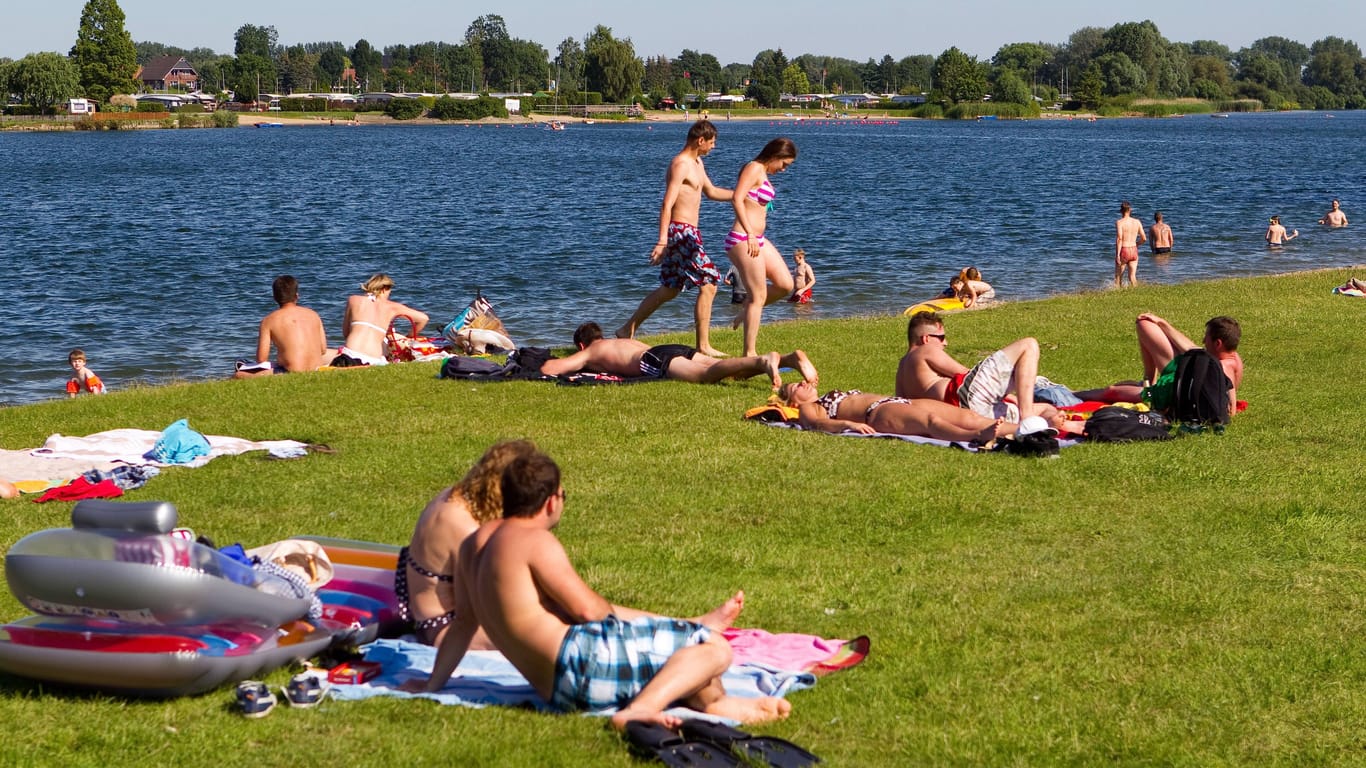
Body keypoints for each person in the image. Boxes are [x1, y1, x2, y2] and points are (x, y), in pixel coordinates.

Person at [406, 450, 789, 730]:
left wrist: (432, 685)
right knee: (711, 647)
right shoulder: (534, 542)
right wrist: (652, 631)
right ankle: (641, 710)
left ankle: (718, 704)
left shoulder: (475, 544)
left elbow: (463, 625)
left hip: (552, 690)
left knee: (679, 659)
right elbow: (590, 613)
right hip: (581, 667)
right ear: (551, 500)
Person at [616, 121, 733, 357]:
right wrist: (662, 241)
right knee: (709, 283)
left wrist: (742, 195)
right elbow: (667, 203)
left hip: (691, 232)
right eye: (712, 143)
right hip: (681, 233)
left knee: (670, 289)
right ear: (701, 140)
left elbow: (711, 191)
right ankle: (703, 346)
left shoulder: (697, 163)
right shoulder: (680, 164)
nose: (713, 148)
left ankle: (626, 329)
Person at [895, 312, 1075, 433]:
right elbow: (965, 373)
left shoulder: (902, 369)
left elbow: (902, 406)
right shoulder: (924, 350)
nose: (945, 343)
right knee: (1029, 345)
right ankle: (1027, 418)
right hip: (966, 396)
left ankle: (1052, 423)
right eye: (941, 337)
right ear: (926, 338)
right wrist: (1007, 393)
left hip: (966, 415)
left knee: (1045, 408)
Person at [541, 322, 817, 391]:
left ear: (581, 344)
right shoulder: (621, 340)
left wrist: (545, 363)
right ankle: (789, 359)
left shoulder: (590, 351)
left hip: (654, 361)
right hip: (668, 348)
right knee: (725, 370)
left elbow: (555, 367)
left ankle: (764, 361)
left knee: (707, 377)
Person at [1076, 315, 1243, 421]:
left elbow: (1230, 410)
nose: (1202, 340)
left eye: (1206, 337)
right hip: (1177, 378)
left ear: (1218, 343)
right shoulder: (1232, 359)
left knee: (1112, 391)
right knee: (1145, 323)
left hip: (1160, 394)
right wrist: (1162, 323)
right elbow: (1194, 350)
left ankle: (1071, 394)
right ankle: (1148, 379)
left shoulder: (1221, 366)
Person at [727, 138, 798, 357]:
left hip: (758, 237)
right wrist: (749, 233)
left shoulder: (762, 173)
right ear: (775, 156)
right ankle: (750, 354)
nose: (784, 170)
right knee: (758, 297)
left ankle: (747, 310)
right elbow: (737, 199)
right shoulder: (754, 168)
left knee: (786, 285)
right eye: (784, 164)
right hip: (742, 237)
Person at [781, 379, 1019, 444]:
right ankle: (976, 436)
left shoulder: (823, 396)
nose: (802, 383)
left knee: (969, 416)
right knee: (930, 421)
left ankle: (1026, 429)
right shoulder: (807, 409)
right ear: (792, 403)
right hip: (878, 414)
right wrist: (848, 425)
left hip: (899, 402)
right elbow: (816, 425)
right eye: (795, 387)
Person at [233, 275, 335, 378]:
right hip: (316, 369)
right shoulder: (314, 315)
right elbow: (323, 350)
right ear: (297, 296)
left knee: (238, 374)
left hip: (290, 372)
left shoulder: (269, 320)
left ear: (274, 297)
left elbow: (261, 359)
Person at [333, 273, 429, 367]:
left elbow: (346, 333)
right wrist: (409, 336)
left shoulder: (353, 300)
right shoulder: (392, 307)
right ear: (384, 289)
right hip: (373, 359)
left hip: (350, 354)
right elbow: (423, 319)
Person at [1114, 201, 1147, 287]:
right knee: (1132, 276)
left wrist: (1117, 255)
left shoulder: (1119, 222)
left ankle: (1118, 294)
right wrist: (1137, 244)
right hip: (1133, 250)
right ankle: (1137, 293)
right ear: (1130, 210)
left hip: (1124, 250)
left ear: (1121, 211)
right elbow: (1144, 238)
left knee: (1118, 277)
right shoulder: (1137, 222)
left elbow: (1119, 238)